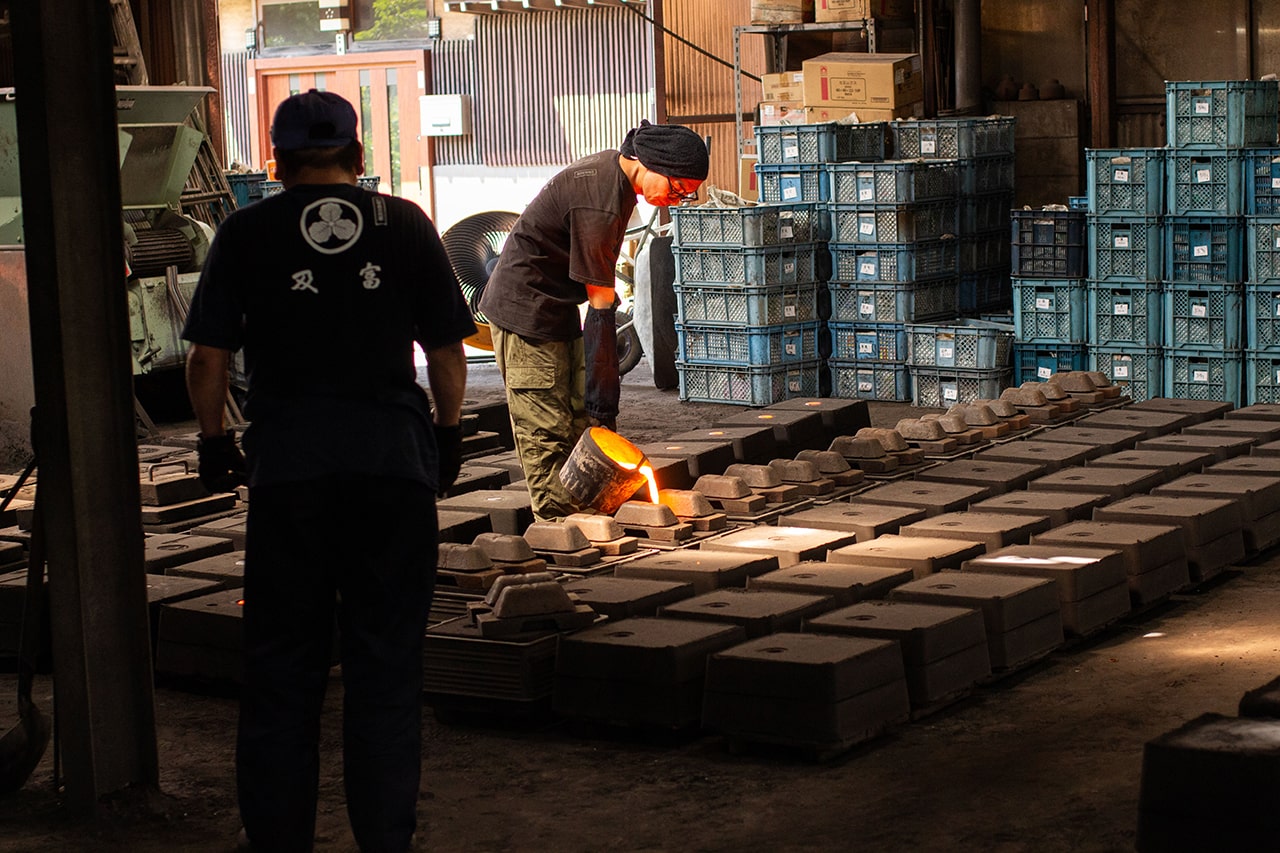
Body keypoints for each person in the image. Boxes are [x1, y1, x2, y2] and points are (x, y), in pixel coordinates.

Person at [181, 89, 475, 853]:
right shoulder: (404, 224)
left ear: (277, 161)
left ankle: (279, 840)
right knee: (385, 668)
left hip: (291, 475)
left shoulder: (244, 232)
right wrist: (446, 437)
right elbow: (447, 351)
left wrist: (215, 441)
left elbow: (207, 356)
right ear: (358, 155)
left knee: (283, 667)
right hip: (392, 470)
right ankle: (385, 840)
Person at [478, 120, 708, 522]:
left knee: (575, 418)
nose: (675, 200)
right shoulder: (600, 199)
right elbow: (601, 305)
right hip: (524, 310)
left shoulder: (616, 179)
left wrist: (598, 410)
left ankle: (581, 511)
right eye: (676, 189)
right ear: (651, 163)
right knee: (546, 428)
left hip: (555, 307)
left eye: (685, 196)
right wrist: (605, 405)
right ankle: (556, 527)